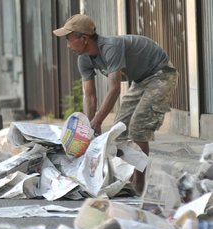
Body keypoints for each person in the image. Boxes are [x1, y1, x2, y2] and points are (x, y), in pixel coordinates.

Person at [53, 14, 178, 195]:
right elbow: (90, 96)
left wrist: (97, 121)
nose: (67, 45)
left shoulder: (111, 47)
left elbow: (114, 89)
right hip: (141, 80)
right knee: (118, 132)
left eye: (69, 39)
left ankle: (139, 183)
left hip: (161, 73)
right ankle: (126, 178)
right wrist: (89, 128)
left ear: (84, 39)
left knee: (138, 127)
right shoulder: (84, 59)